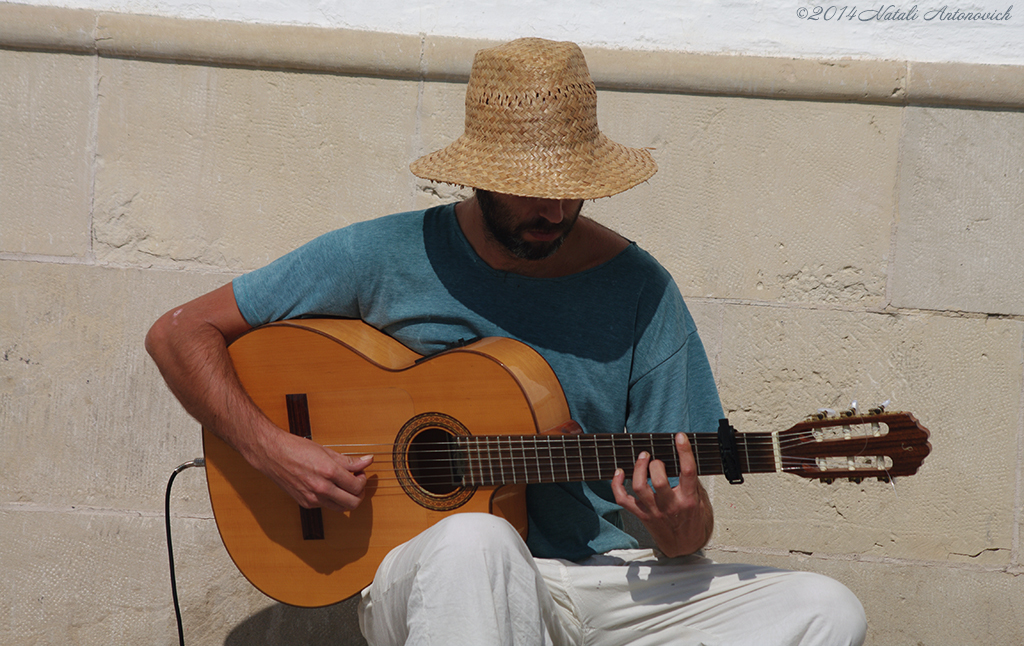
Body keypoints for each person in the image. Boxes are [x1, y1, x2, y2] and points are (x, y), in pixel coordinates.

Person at [147, 37, 867, 646]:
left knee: (827, 611)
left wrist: (680, 524)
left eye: (571, 187)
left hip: (606, 584)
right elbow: (179, 335)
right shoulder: (382, 256)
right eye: (530, 188)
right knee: (476, 541)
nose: (553, 208)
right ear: (481, 177)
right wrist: (273, 450)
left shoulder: (641, 290)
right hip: (437, 576)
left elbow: (681, 529)